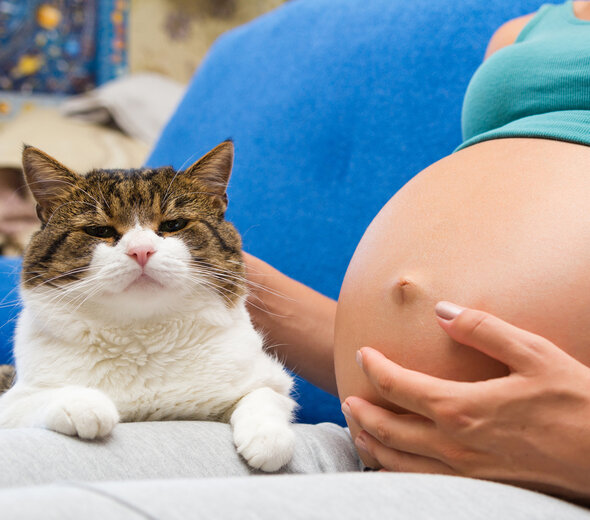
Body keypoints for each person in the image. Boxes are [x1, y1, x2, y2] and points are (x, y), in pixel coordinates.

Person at [243, 0, 590, 506]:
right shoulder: (520, 35)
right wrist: (229, 281)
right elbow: (434, 357)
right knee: (84, 463)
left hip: (552, 484)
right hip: (374, 449)